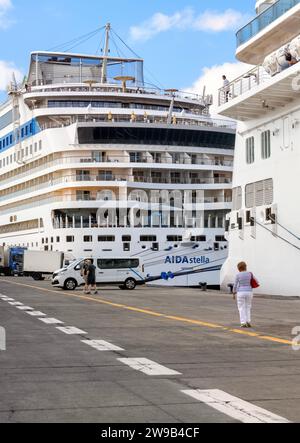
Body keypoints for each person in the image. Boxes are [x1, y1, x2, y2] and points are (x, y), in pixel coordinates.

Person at [233, 262, 259, 328]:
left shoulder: (238, 275)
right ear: (245, 267)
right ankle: (248, 322)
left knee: (241, 307)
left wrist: (234, 293)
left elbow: (235, 285)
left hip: (241, 292)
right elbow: (257, 281)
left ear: (238, 268)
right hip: (249, 292)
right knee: (248, 307)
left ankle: (243, 323)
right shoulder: (250, 274)